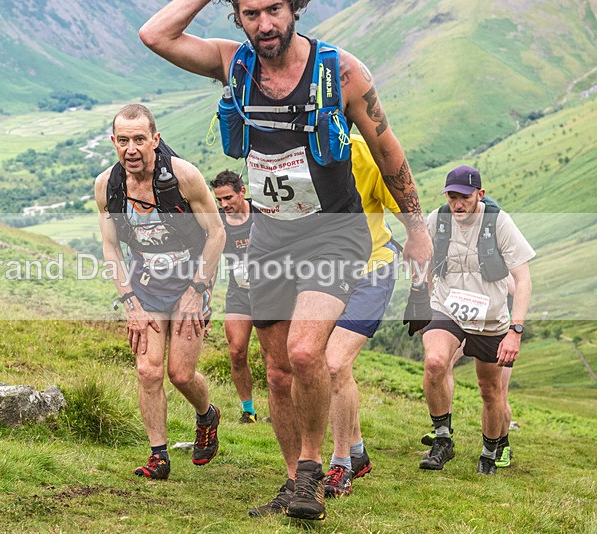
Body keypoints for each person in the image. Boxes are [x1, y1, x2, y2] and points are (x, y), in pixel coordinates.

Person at [141, 0, 432, 520]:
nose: (265, 25)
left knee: (303, 354)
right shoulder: (235, 64)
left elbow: (389, 153)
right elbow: (155, 35)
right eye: (250, 13)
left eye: (274, 8)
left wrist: (417, 231)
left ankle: (313, 472)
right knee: (276, 373)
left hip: (332, 235)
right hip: (271, 235)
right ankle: (292, 482)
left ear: (295, 7)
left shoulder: (339, 71)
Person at [95, 104, 226, 480]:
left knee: (181, 375)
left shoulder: (184, 176)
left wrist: (197, 290)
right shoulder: (107, 185)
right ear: (113, 142)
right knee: (147, 370)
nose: (131, 149)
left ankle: (207, 414)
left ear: (155, 139)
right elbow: (110, 247)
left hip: (191, 278)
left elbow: (217, 233)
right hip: (146, 284)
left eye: (139, 140)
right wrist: (128, 300)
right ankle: (159, 456)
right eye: (123, 141)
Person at [418, 165, 534, 475]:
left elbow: (523, 280)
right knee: (435, 363)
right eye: (452, 197)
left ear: (479, 195)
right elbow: (424, 262)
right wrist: (420, 302)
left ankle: (489, 452)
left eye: (464, 198)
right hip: (447, 308)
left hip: (491, 319)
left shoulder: (499, 223)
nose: (457, 204)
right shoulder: (437, 221)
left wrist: (515, 330)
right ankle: (442, 439)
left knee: (490, 390)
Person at [322, 135, 403, 498]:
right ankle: (357, 452)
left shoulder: (363, 153)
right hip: (323, 273)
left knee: (335, 363)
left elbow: (406, 206)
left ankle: (341, 466)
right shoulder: (296, 149)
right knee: (330, 367)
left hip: (373, 267)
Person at [420, 274, 517, 468]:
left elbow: (516, 288)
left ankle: (502, 443)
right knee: (442, 364)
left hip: (495, 325)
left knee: (495, 390)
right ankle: (443, 428)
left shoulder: (500, 253)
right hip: (461, 320)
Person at [210, 170, 260, 424]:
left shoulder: (262, 213)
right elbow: (208, 262)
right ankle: (248, 411)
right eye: (219, 200)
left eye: (228, 198)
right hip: (239, 292)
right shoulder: (218, 222)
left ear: (242, 191)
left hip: (271, 293)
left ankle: (283, 408)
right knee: (237, 351)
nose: (224, 205)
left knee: (276, 356)